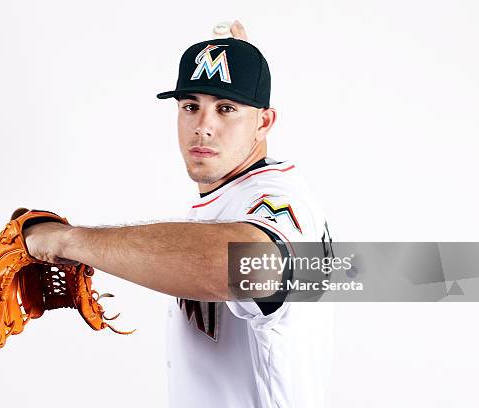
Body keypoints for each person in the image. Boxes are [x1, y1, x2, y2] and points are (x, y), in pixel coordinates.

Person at [25, 21, 334, 408]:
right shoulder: (231, 194)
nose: (203, 127)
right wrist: (238, 73)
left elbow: (251, 264)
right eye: (191, 106)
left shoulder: (282, 200)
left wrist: (66, 241)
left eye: (226, 108)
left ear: (265, 121)